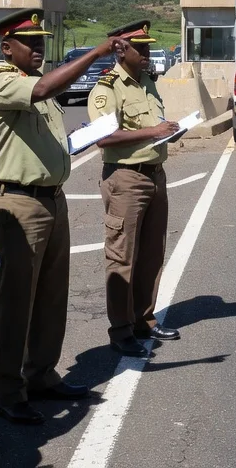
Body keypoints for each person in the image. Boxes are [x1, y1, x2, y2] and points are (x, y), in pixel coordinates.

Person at [0, 8, 122, 424]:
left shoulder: (30, 84)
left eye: (42, 41)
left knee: (50, 296)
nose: (38, 48)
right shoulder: (2, 82)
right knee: (16, 301)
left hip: (52, 200)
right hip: (19, 203)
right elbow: (43, 89)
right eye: (30, 42)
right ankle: (9, 390)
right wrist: (98, 51)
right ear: (6, 47)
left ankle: (40, 374)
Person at [88, 20, 181, 359]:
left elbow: (154, 126)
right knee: (122, 256)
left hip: (155, 174)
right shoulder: (107, 86)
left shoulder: (147, 83)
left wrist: (169, 132)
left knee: (152, 252)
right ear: (120, 49)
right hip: (126, 179)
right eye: (139, 48)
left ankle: (145, 318)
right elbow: (103, 136)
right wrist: (153, 133)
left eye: (147, 48)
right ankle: (121, 330)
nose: (146, 53)